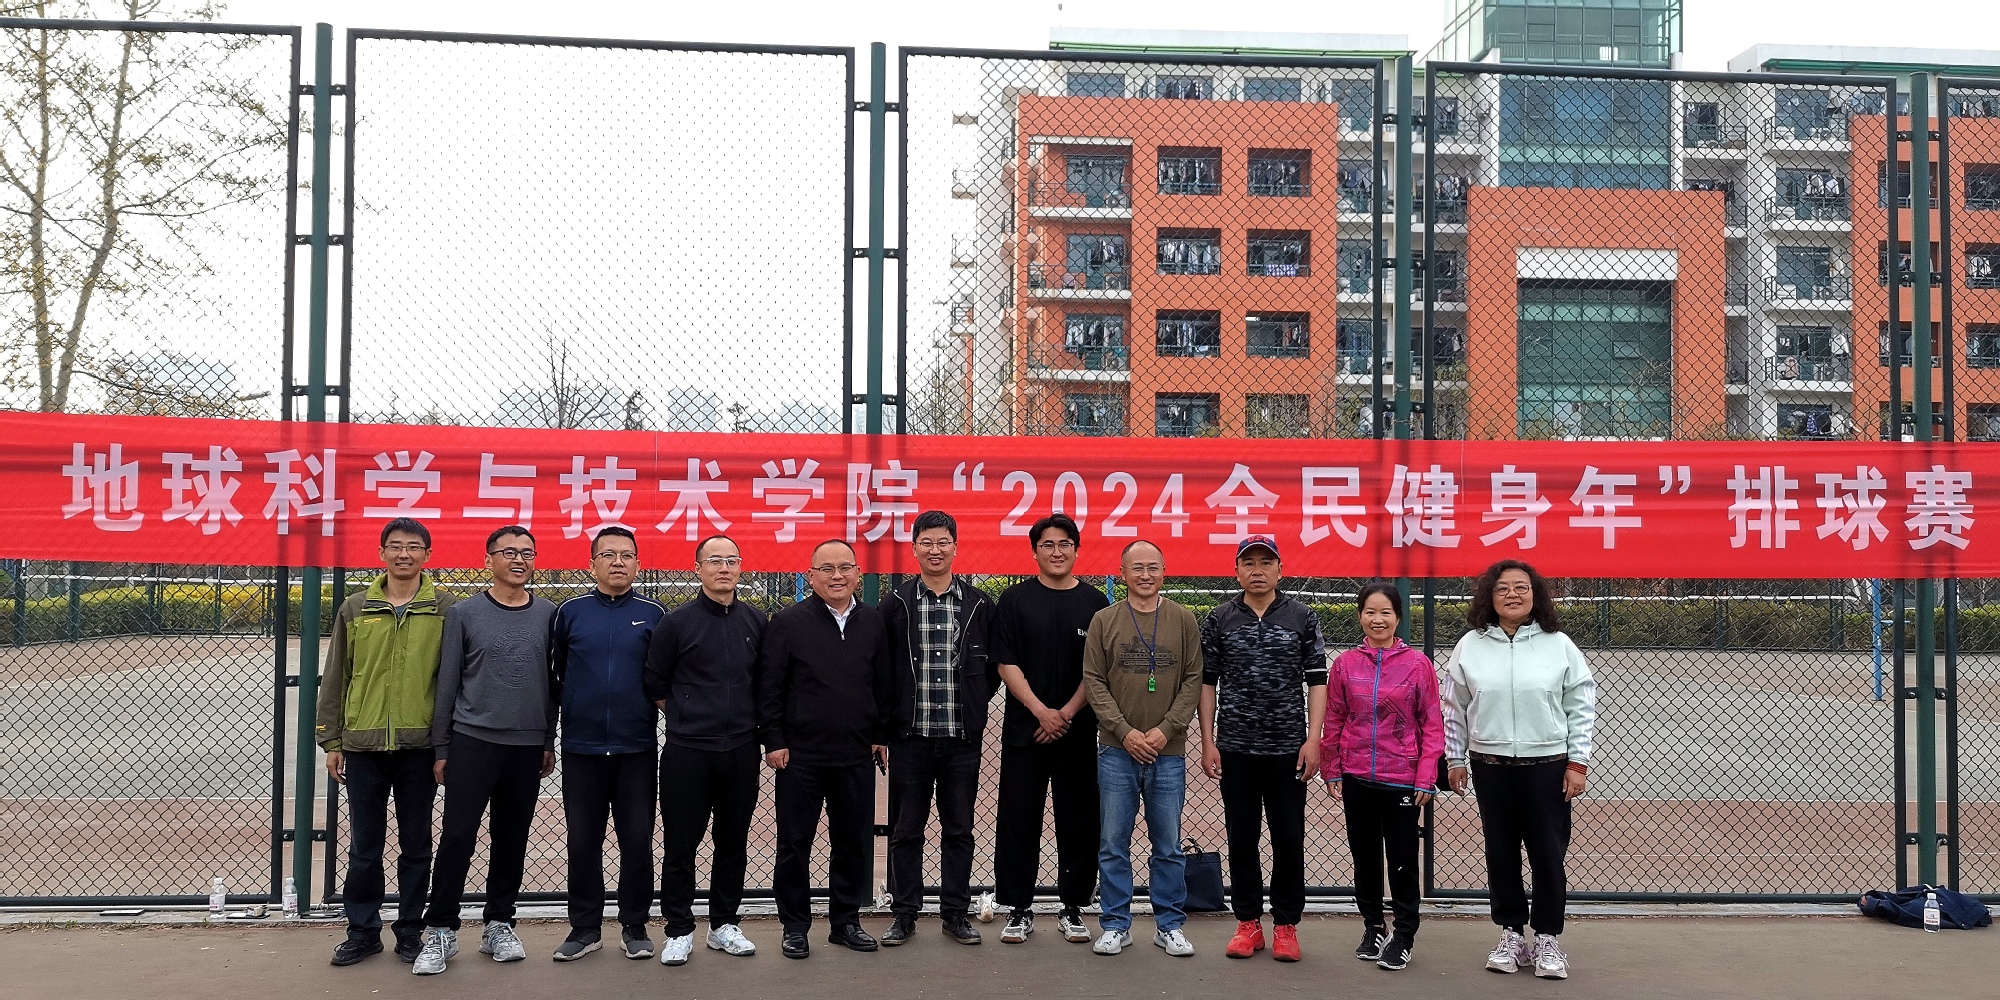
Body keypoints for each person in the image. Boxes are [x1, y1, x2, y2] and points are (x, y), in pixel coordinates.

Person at [412, 526, 558, 977]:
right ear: (488, 559)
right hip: (473, 741)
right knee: (458, 836)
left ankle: (499, 923)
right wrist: (442, 745)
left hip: (526, 745)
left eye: (527, 552)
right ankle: (440, 928)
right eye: (509, 552)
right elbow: (448, 682)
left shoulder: (549, 614)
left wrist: (547, 739)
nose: (519, 560)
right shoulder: (464, 613)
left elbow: (553, 685)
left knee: (511, 838)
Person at [1443, 560, 1596, 981]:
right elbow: (1453, 707)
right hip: (1490, 766)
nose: (1512, 594)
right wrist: (1455, 758)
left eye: (1521, 587)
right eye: (1502, 588)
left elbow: (1581, 704)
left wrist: (1577, 762)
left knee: (1548, 854)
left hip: (1548, 767)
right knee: (1501, 852)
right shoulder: (1470, 645)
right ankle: (1511, 933)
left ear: (1535, 594)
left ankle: (1547, 937)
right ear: (1489, 597)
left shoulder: (1559, 645)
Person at [318, 517, 458, 967]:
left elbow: (453, 680)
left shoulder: (445, 609)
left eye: (413, 547)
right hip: (363, 746)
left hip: (420, 748)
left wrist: (444, 746)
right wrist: (331, 740)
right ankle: (362, 932)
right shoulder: (356, 608)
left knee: (417, 846)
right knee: (365, 847)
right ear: (381, 553)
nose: (404, 554)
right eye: (395, 546)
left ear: (427, 555)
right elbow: (336, 676)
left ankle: (411, 931)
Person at [757, 538, 894, 960]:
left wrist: (880, 733)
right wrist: (774, 739)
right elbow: (770, 687)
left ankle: (845, 922)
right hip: (800, 756)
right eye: (827, 569)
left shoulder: (873, 622)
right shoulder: (788, 622)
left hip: (855, 753)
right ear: (811, 575)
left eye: (845, 567)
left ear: (858, 574)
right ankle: (795, 927)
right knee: (794, 844)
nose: (838, 576)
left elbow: (884, 683)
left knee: (851, 842)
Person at [1196, 536, 1327, 964]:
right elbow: (1208, 682)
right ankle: (1248, 923)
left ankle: (1286, 925)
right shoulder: (1219, 618)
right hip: (1236, 748)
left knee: (1288, 838)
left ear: (1279, 570)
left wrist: (1313, 739)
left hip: (1288, 749)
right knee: (1242, 838)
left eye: (1266, 562)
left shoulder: (1302, 616)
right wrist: (1208, 740)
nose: (1257, 570)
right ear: (1236, 571)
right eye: (1248, 562)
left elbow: (1317, 680)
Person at [878, 511, 998, 946]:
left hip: (960, 738)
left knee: (959, 829)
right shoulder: (895, 604)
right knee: (906, 830)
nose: (935, 550)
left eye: (943, 542)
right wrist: (885, 727)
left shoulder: (979, 604)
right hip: (910, 737)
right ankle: (904, 914)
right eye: (926, 542)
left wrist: (973, 704)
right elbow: (883, 668)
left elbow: (992, 670)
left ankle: (955, 914)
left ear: (955, 547)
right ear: (914, 548)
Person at [645, 534, 766, 966]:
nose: (723, 568)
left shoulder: (756, 620)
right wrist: (690, 715)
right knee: (681, 843)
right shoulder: (677, 622)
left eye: (731, 560)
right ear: (698, 568)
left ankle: (723, 925)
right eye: (714, 560)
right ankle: (678, 929)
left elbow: (764, 682)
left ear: (740, 567)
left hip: (741, 749)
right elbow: (656, 683)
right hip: (688, 751)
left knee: (732, 841)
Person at [1082, 539, 1203, 958]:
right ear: (1123, 573)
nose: (1146, 575)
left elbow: (1193, 679)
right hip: (1117, 750)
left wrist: (1167, 730)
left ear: (1164, 572)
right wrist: (1124, 731)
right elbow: (1094, 681)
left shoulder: (1183, 619)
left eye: (1153, 567)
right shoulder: (1104, 620)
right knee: (1113, 843)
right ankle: (1116, 924)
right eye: (1137, 568)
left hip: (1168, 751)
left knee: (1167, 845)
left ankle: (1169, 924)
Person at [549, 526, 665, 962]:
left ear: (638, 564)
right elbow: (557, 673)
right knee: (583, 842)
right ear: (592, 563)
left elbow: (662, 675)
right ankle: (585, 928)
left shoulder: (654, 614)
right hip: (582, 748)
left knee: (637, 841)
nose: (619, 562)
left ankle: (634, 925)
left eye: (627, 555)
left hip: (637, 748)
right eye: (609, 555)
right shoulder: (570, 612)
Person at [991, 513, 1107, 946]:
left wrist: (1066, 714)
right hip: (1026, 731)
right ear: (1034, 551)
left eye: (1064, 544)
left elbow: (1098, 670)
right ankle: (1018, 908)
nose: (1057, 552)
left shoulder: (1096, 603)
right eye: (1047, 545)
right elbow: (1006, 662)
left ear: (1076, 550)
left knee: (1078, 819)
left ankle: (1073, 906)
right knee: (1019, 818)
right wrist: (1041, 712)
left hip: (1077, 732)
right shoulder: (1014, 600)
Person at [1319, 581, 1443, 972]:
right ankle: (1374, 926)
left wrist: (1426, 775)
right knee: (1365, 858)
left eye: (1385, 612)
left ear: (1398, 617)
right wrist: (1332, 768)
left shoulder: (1418, 665)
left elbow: (1432, 722)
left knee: (1403, 861)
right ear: (1360, 616)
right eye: (1370, 612)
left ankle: (1404, 935)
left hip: (1402, 779)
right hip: (1356, 778)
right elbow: (1334, 717)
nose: (1378, 619)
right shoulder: (1345, 664)